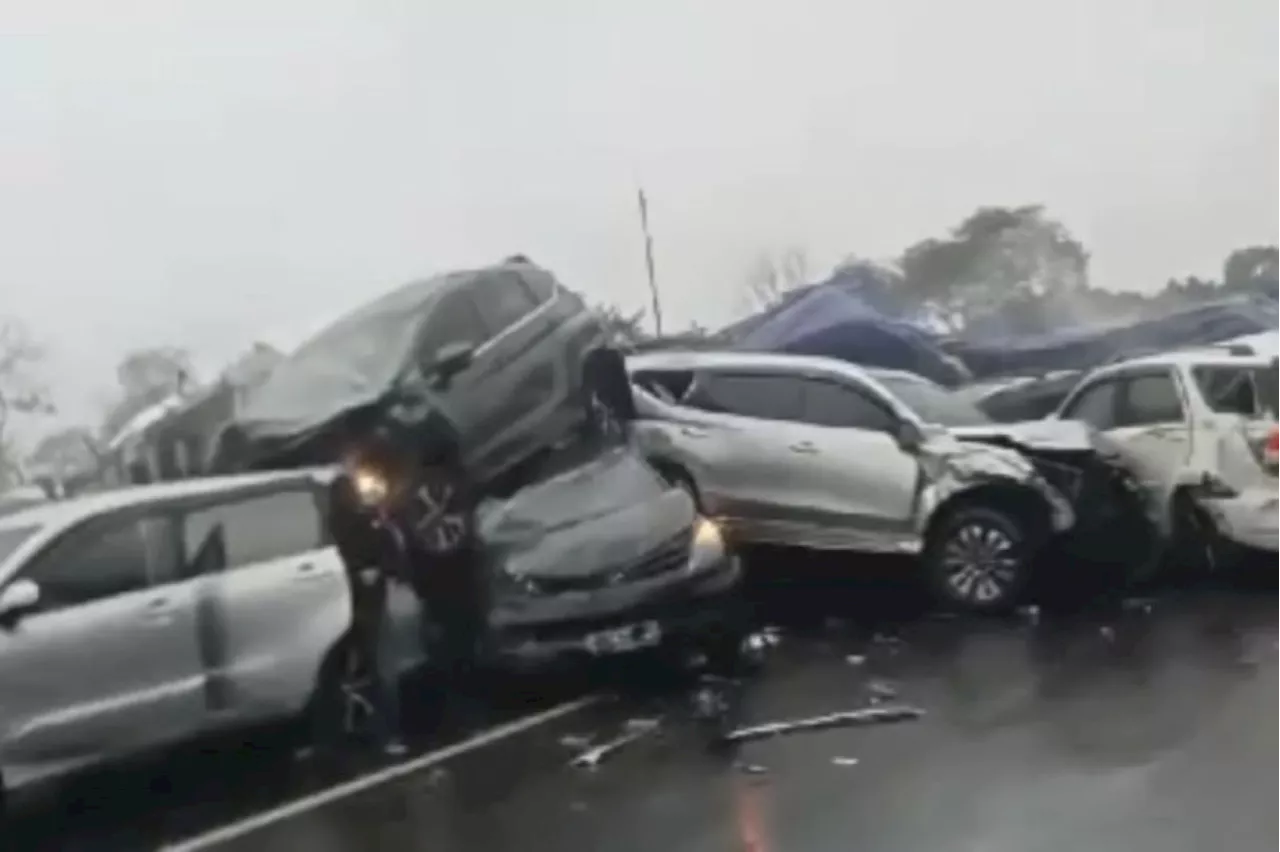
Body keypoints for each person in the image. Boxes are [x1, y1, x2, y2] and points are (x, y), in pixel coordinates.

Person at [323, 469, 409, 757]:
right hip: (368, 606)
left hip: (335, 611)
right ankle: (386, 735)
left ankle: (339, 740)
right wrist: (379, 571)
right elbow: (393, 553)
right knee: (381, 672)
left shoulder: (329, 529)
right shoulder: (368, 523)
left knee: (342, 675)